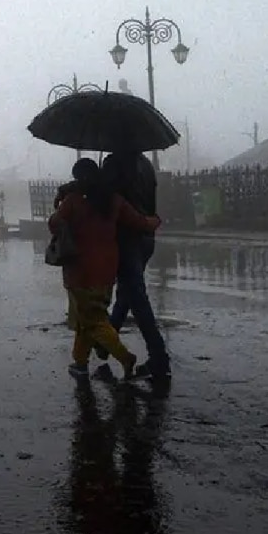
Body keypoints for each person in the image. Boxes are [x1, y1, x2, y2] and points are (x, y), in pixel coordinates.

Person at [49, 158, 162, 381]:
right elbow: (140, 222)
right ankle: (80, 363)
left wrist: (62, 208)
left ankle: (125, 357)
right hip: (107, 269)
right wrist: (155, 221)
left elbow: (54, 223)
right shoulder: (115, 201)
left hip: (80, 270)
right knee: (86, 317)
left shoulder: (73, 202)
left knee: (94, 320)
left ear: (78, 179)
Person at [100, 150, 170, 379]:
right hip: (145, 237)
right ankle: (105, 344)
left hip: (126, 236)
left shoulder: (113, 163)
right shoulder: (146, 165)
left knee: (136, 297)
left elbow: (105, 200)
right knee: (127, 292)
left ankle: (159, 358)